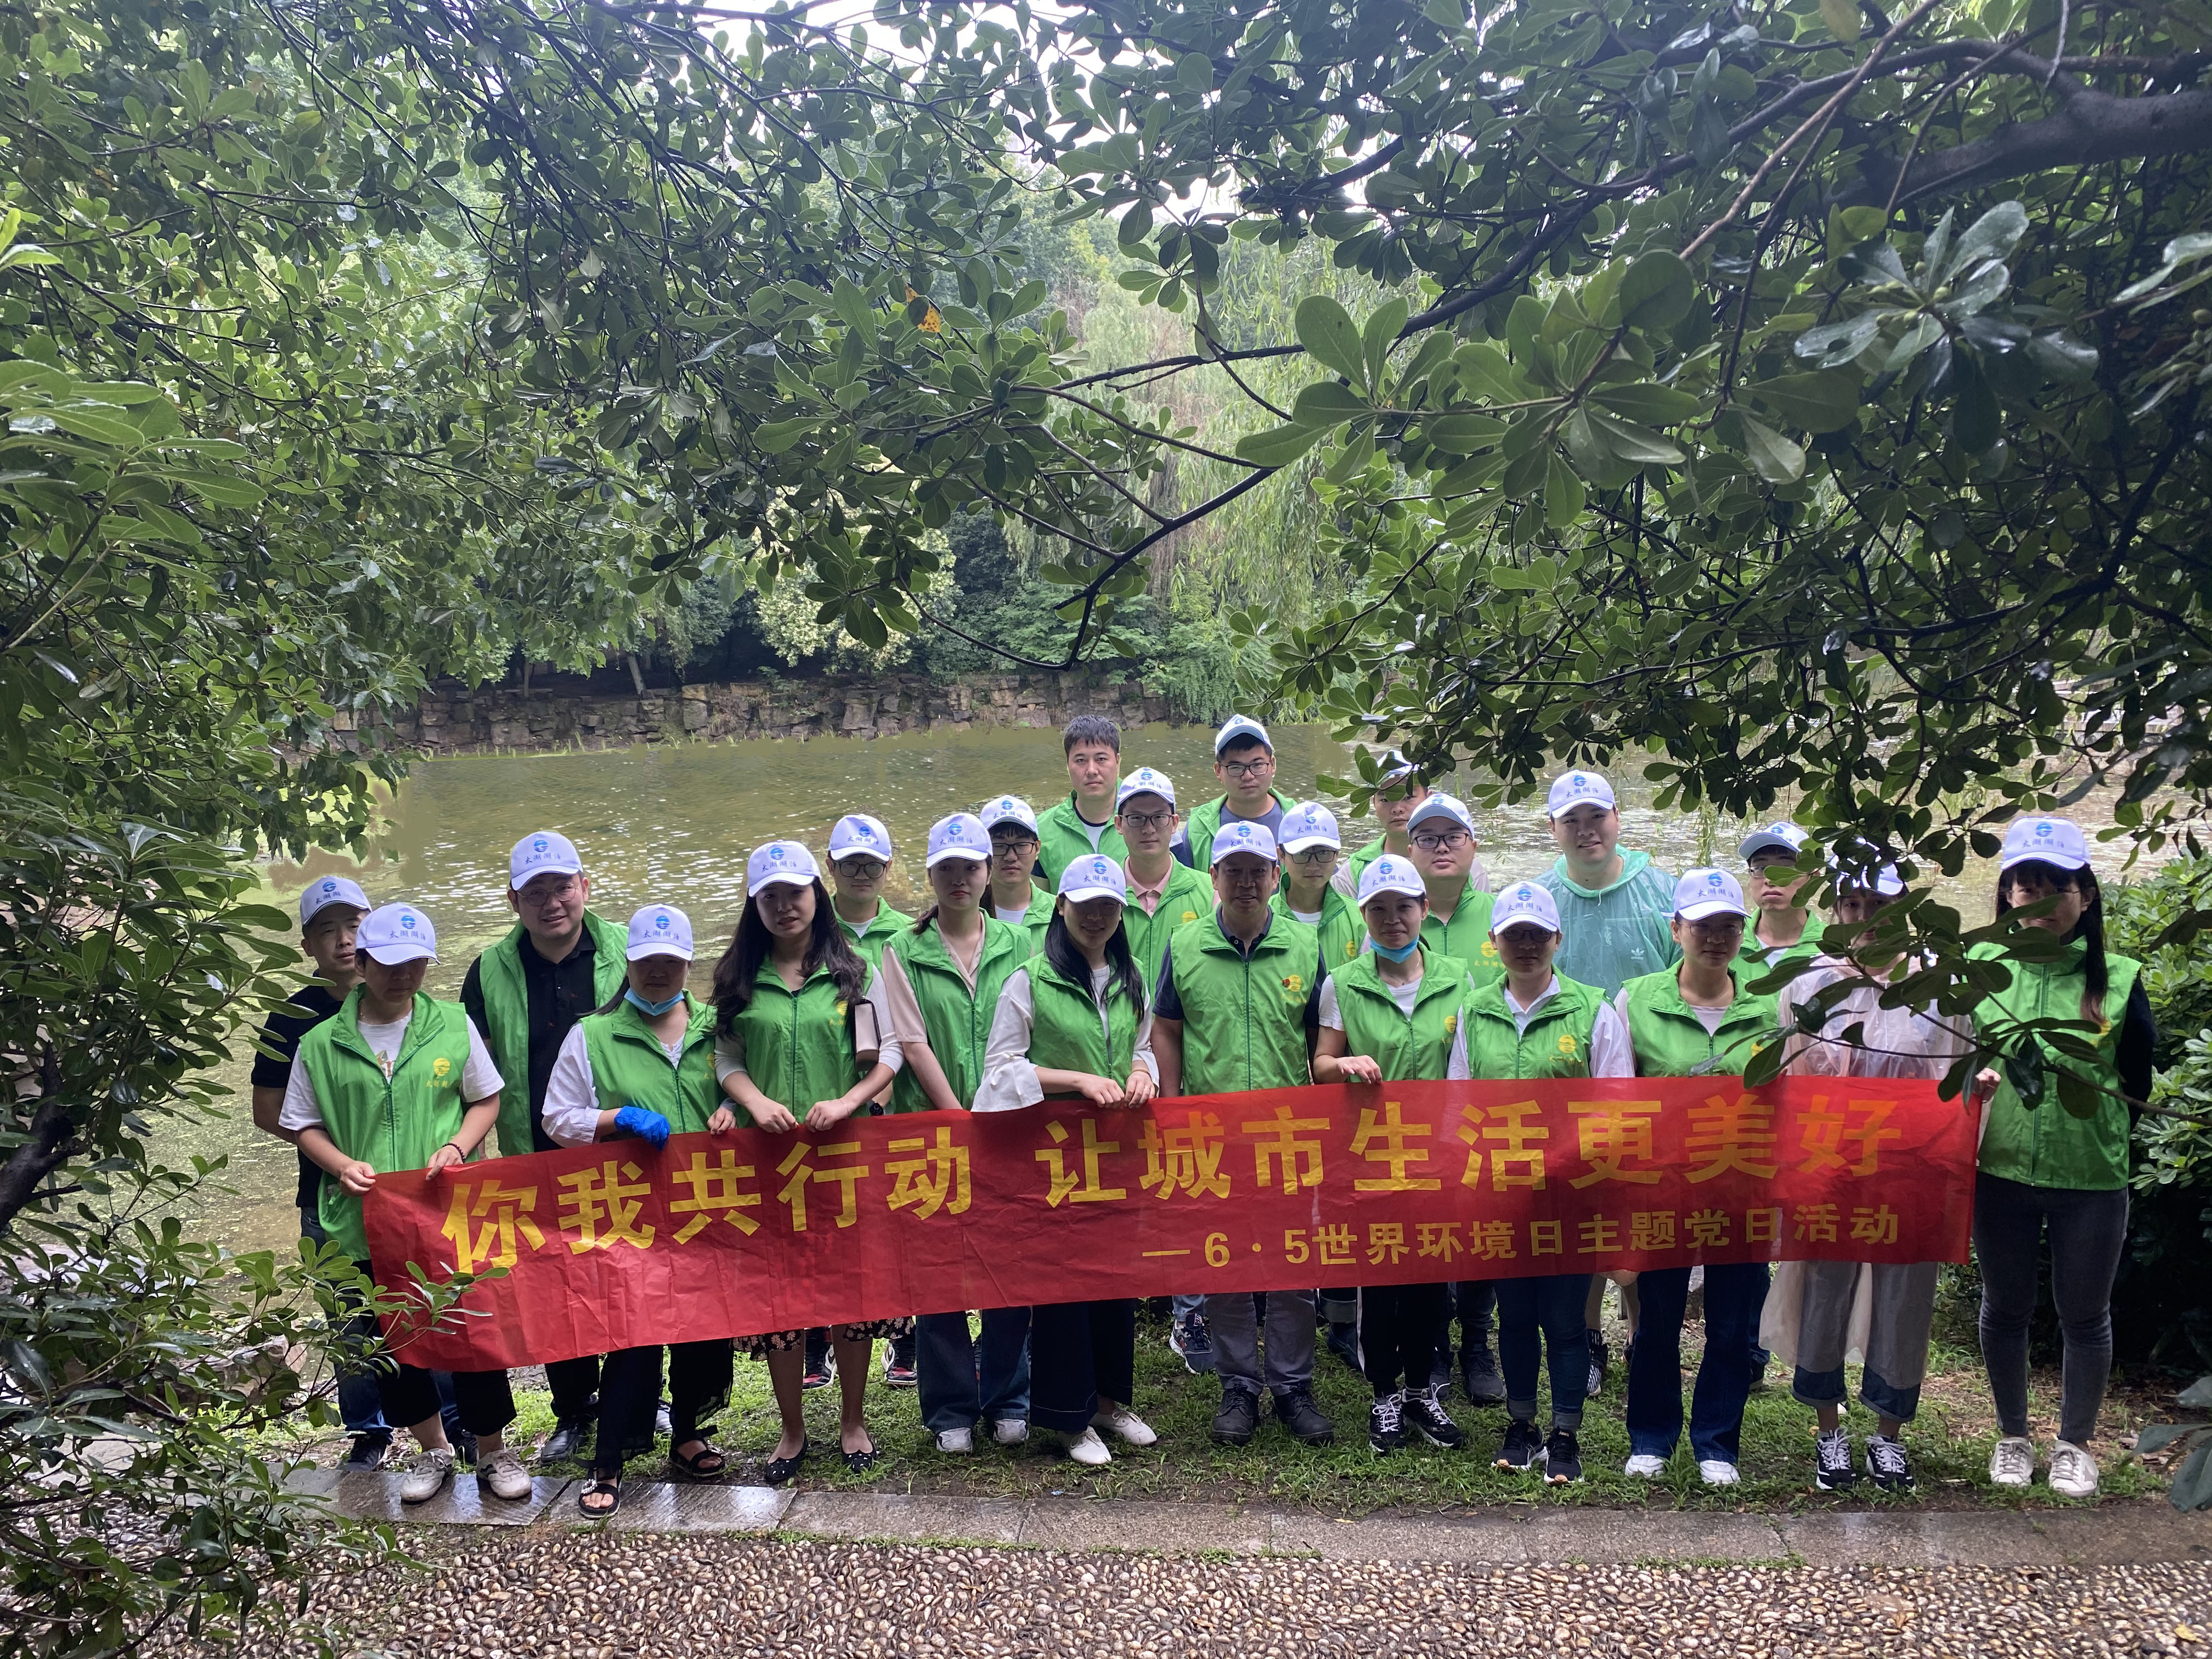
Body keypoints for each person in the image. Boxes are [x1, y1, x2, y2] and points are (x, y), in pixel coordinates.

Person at [279, 903, 529, 1505]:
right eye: (391, 964)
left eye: (417, 964)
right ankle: (432, 1449)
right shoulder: (321, 1042)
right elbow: (302, 1123)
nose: (404, 976)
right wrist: (341, 1165)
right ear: (362, 964)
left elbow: (486, 1100)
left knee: (473, 1332)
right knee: (394, 1340)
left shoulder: (453, 1024)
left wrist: (457, 1146)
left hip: (448, 1211)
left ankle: (493, 1451)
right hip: (365, 1218)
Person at [1768, 857, 1972, 1494]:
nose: (1866, 918)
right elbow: (1792, 1077)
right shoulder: (1809, 985)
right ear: (1836, 909)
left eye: (1880, 905)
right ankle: (1828, 1431)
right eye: (1853, 905)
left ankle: (1889, 1435)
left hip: (1911, 1170)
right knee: (1823, 1291)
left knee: (1904, 1299)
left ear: (1905, 909)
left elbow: (1956, 1076)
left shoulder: (1936, 987)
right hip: (1833, 1168)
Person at [1969, 816, 2156, 1500]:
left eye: (2056, 887)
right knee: (2005, 1307)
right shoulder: (1983, 972)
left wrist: (2093, 1121)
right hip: (2000, 1167)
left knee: (2085, 1314)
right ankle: (2013, 1436)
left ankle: (2075, 1445)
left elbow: (2137, 1082)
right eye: (2025, 887)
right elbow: (1956, 1061)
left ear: (2087, 895)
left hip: (2091, 1175)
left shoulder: (2119, 979)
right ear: (2006, 895)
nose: (2039, 900)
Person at [713, 840, 910, 1482]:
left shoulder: (853, 971)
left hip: (844, 1157)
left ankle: (854, 1421)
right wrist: (754, 1102)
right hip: (770, 1162)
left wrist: (850, 1101)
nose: (784, 907)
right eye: (768, 897)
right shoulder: (740, 978)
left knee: (851, 1292)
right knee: (783, 1300)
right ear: (754, 905)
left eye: (794, 893)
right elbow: (727, 1059)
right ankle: (792, 1430)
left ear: (816, 896)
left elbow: (889, 1053)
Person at [539, 905, 735, 1517]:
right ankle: (609, 1460)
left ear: (688, 965)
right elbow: (556, 1118)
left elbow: (745, 1085)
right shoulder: (593, 1035)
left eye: (670, 962)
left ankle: (689, 1434)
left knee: (703, 1326)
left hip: (704, 1205)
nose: (658, 972)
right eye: (647, 961)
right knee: (633, 1334)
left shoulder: (715, 1026)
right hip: (631, 1212)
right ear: (628, 963)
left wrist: (733, 1110)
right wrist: (614, 1118)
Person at [1153, 821, 1335, 1449]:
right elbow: (1166, 1027)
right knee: (1224, 1264)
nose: (1247, 882)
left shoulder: (1304, 947)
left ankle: (1291, 1385)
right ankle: (1238, 1385)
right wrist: (1172, 1106)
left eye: (1258, 870)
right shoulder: (1185, 946)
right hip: (1214, 1135)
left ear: (1276, 876)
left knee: (1292, 1266)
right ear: (1214, 877)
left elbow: (1321, 1040)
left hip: (1289, 1135)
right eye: (1233, 870)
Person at [975, 855, 1161, 1466]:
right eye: (1085, 905)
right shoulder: (1030, 980)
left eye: (1108, 906)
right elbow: (1000, 1070)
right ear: (1061, 907)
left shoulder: (1132, 976)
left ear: (1121, 913)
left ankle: (1109, 1402)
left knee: (1115, 1281)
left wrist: (1142, 1073)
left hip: (1116, 1156)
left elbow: (1143, 1047)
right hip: (1053, 1161)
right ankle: (1068, 1418)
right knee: (1063, 1288)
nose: (1097, 916)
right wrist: (1076, 1080)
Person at [460, 830, 631, 1465]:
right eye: (535, 893)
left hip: (620, 1146)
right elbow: (471, 1070)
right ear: (513, 900)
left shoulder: (627, 948)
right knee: (556, 1286)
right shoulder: (489, 970)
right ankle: (574, 1410)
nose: (552, 903)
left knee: (629, 1275)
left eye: (562, 887)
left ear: (585, 885)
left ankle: (640, 1398)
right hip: (533, 1154)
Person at [1614, 868, 1780, 1486]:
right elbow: (1616, 1097)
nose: (1716, 938)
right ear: (1676, 929)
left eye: (1729, 926)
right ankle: (1651, 1437)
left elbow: (1789, 1099)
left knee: (1733, 1323)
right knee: (1657, 1317)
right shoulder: (1636, 1001)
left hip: (1743, 1187)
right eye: (1703, 925)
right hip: (1663, 1189)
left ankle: (1717, 1443)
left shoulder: (1770, 1005)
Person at [1464, 882, 1634, 1483]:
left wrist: (1579, 1164)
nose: (1527, 945)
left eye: (1538, 934)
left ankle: (1565, 1434)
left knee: (1564, 1320)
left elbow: (1617, 1104)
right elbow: (1459, 1101)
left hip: (1572, 1193)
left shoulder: (1592, 1009)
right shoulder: (1475, 1010)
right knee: (1514, 1316)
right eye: (1515, 935)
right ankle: (1522, 1425)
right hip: (1504, 1193)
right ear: (1495, 942)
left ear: (1558, 939)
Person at [877, 812, 1035, 1454]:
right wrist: (958, 1119)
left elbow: (1030, 1031)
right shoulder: (903, 950)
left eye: (970, 867)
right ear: (930, 875)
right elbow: (911, 1041)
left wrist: (991, 1116)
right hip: (932, 1131)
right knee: (938, 1272)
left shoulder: (1020, 944)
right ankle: (948, 1409)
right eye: (947, 869)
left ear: (988, 871)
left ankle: (1009, 1396)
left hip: (1008, 1128)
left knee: (1009, 1265)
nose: (960, 879)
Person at [1311, 854, 1473, 1456]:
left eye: (1403, 907)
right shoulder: (1343, 982)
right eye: (1378, 909)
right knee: (1379, 1282)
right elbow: (1320, 1065)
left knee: (1430, 1281)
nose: (1392, 920)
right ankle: (1384, 1394)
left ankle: (1422, 1391)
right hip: (1371, 1157)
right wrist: (1344, 1064)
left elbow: (1472, 1062)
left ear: (1424, 909)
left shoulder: (1459, 979)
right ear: (1364, 916)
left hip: (1439, 1156)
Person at [1538, 770, 1676, 1394]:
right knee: (1585, 1217)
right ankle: (1588, 1337)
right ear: (1553, 829)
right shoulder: (1541, 898)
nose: (1586, 830)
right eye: (1572, 820)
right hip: (1572, 1086)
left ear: (1618, 818)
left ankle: (1644, 1337)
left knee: (1643, 1221)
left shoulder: (1661, 892)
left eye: (1596, 816)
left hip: (1650, 1084)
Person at [252, 874, 391, 1470]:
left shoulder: (403, 995)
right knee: (349, 1314)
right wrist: (335, 1149)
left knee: (425, 1302)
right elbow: (266, 1110)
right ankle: (368, 1430)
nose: (344, 940)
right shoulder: (292, 1017)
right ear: (307, 944)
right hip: (326, 1190)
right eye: (327, 930)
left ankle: (455, 1421)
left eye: (354, 925)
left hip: (409, 1187)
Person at [1107, 765, 1221, 1376]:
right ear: (1119, 823)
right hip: (1115, 1063)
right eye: (1136, 817)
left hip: (1185, 1061)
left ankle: (1189, 1311)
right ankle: (1122, 1292)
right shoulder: (1102, 888)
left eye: (1158, 817)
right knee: (1118, 1181)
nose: (1148, 827)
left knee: (1190, 1187)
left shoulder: (1205, 890)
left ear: (1177, 823)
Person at [1402, 791, 1504, 1406]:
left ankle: (1477, 1343)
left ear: (1472, 844)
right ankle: (1434, 1341)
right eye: (1427, 838)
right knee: (1428, 1228)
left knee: (1482, 1224)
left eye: (1452, 836)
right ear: (1409, 848)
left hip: (1482, 1104)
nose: (1440, 848)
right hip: (1411, 1111)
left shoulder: (1500, 914)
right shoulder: (1392, 912)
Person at [1175, 715, 1291, 871]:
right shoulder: (1198, 827)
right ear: (1218, 771)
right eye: (1236, 767)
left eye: (1257, 765)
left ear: (1272, 764)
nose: (1248, 776)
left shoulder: (1296, 817)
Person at [1035, 715, 1128, 885]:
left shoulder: (1150, 819)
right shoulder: (1042, 831)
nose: (1091, 770)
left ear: (1117, 761)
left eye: (1101, 759)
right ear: (1068, 765)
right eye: (1081, 760)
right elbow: (1040, 899)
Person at [1274, 801, 1365, 970]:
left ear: (1337, 854)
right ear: (1282, 855)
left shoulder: (1360, 919)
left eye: (1323, 852)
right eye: (1302, 853)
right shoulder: (1263, 917)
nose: (1313, 865)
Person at [826, 812, 910, 970]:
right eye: (850, 865)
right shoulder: (810, 931)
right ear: (831, 867)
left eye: (873, 866)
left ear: (888, 868)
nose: (862, 876)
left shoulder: (911, 932)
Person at [1739, 822, 1822, 973]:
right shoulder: (1728, 942)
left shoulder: (1833, 948)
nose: (1770, 879)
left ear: (1813, 878)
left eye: (1786, 868)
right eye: (1760, 868)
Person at [981, 794, 1056, 953]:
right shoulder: (967, 914)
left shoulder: (1060, 913)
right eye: (999, 845)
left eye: (1021, 845)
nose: (1011, 857)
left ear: (1037, 849)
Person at [1345, 752, 1428, 888]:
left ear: (1429, 798)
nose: (1397, 809)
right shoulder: (1353, 871)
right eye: (1385, 800)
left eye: (1408, 797)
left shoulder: (1453, 860)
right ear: (1374, 803)